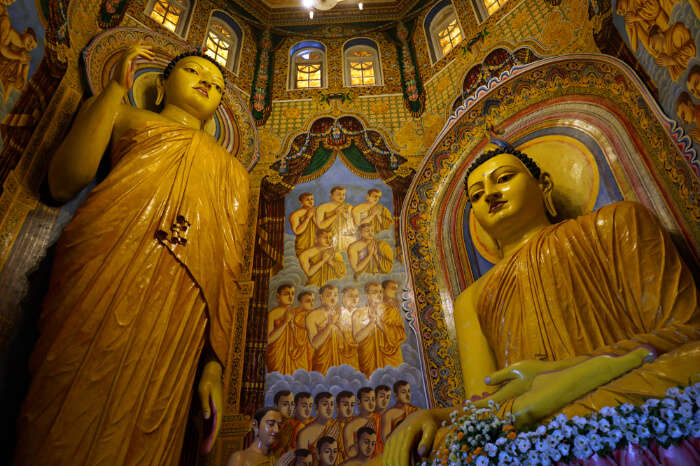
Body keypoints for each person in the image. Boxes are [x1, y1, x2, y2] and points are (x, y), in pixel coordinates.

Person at [379, 144, 699, 465]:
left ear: (543, 185)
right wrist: (436, 417)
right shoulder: (472, 298)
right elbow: (487, 403)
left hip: (621, 388)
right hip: (527, 416)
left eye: (503, 178)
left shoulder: (617, 222)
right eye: (476, 196)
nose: (489, 195)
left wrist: (565, 374)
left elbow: (689, 332)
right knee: (427, 452)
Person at [14, 47, 250, 465]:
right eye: (194, 71)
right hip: (108, 256)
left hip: (184, 294)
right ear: (160, 85)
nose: (207, 82)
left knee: (151, 404)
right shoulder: (127, 116)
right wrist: (111, 95)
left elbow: (229, 265)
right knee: (71, 385)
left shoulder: (232, 170)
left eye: (216, 84)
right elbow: (64, 180)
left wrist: (213, 365)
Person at [352, 282, 405, 377]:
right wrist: (372, 323)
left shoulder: (392, 311)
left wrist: (380, 323)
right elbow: (357, 338)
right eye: (375, 292)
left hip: (390, 359)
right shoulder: (358, 313)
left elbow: (400, 335)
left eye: (380, 292)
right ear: (367, 295)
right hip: (368, 359)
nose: (379, 295)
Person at [307, 285, 358, 374]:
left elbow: (350, 338)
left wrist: (339, 326)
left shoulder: (342, 312)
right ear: (321, 297)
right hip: (324, 361)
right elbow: (315, 344)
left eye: (335, 295)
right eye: (329, 295)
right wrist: (330, 324)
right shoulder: (312, 315)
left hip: (343, 358)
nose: (332, 299)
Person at [267, 285, 313, 373]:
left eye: (292, 293)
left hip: (297, 355)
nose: (290, 297)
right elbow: (269, 339)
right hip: (278, 355)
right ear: (278, 296)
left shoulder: (298, 312)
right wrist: (285, 322)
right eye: (286, 294)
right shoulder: (272, 314)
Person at [343, 387, 383, 459]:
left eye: (373, 399)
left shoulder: (382, 420)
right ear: (359, 402)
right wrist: (362, 439)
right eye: (367, 400)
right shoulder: (351, 426)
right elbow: (350, 454)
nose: (371, 403)